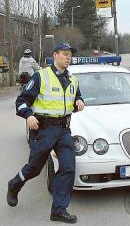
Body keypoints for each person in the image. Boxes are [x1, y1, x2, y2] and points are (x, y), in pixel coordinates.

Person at [7, 43, 85, 224]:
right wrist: (28, 115)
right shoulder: (41, 76)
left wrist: (79, 102)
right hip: (44, 130)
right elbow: (21, 101)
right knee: (34, 168)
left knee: (68, 168)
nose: (68, 57)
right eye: (65, 54)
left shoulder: (72, 80)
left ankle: (58, 209)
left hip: (64, 130)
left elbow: (76, 99)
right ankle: (14, 184)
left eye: (70, 55)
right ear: (55, 55)